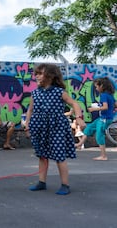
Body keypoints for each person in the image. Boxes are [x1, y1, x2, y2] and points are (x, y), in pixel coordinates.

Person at [24, 63, 86, 195]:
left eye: (40, 73)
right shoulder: (34, 93)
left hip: (56, 126)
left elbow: (75, 103)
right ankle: (42, 182)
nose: (37, 76)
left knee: (59, 155)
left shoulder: (59, 92)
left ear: (51, 76)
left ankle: (65, 184)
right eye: (37, 74)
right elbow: (30, 110)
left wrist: (79, 117)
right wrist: (27, 124)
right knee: (41, 155)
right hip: (39, 126)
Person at [75, 77, 116, 160]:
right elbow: (115, 104)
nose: (96, 89)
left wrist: (94, 109)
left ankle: (103, 156)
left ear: (102, 86)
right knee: (89, 128)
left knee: (99, 135)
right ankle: (80, 144)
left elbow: (105, 107)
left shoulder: (103, 95)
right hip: (104, 118)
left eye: (97, 87)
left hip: (104, 118)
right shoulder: (110, 95)